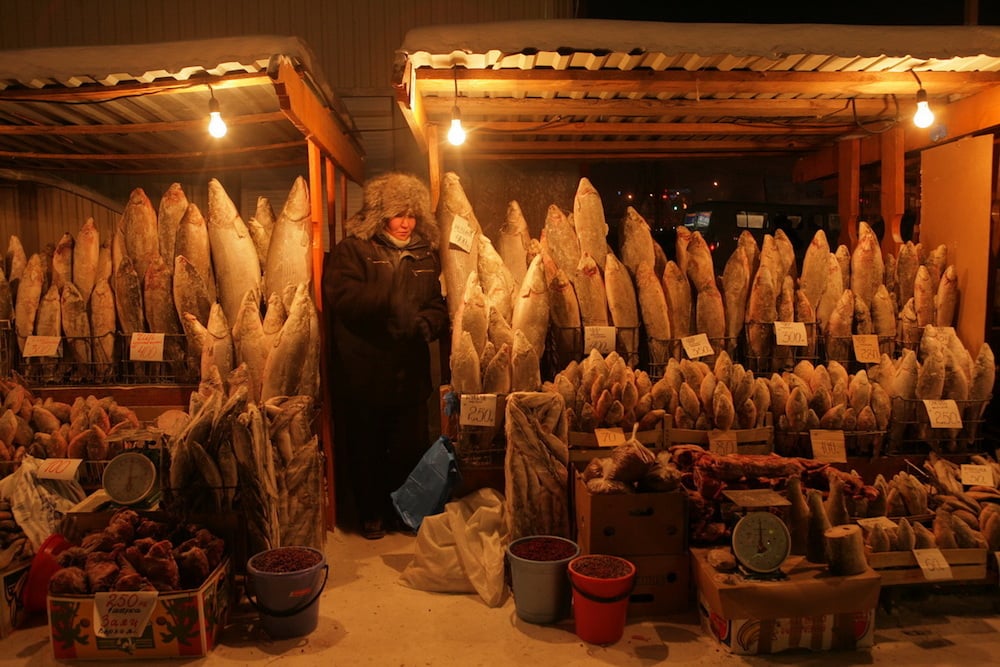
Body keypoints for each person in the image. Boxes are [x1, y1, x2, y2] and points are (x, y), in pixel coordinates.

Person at [324, 172, 449, 540]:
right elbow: (340, 297)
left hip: (409, 371)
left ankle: (402, 511)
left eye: (412, 214)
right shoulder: (354, 249)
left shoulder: (426, 253)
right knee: (367, 446)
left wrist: (428, 322)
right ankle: (371, 513)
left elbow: (436, 304)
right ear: (380, 215)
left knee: (408, 446)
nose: (405, 222)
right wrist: (386, 298)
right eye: (398, 214)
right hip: (365, 369)